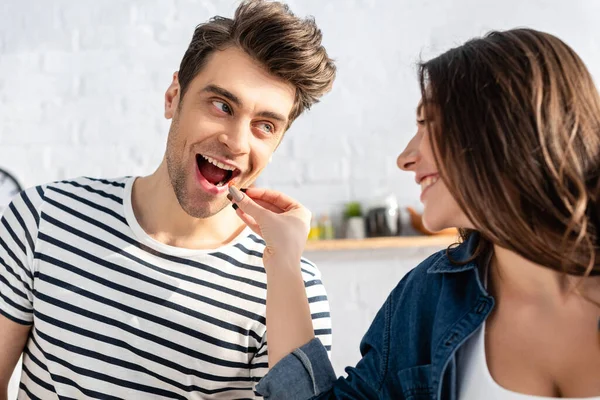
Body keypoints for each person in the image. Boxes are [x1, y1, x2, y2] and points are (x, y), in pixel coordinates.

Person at [228, 28, 600, 399]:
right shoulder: (429, 297)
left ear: (503, 128)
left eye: (427, 124)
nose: (405, 158)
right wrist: (284, 259)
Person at [0, 1, 336, 398]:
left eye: (265, 125)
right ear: (173, 96)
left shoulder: (291, 285)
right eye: (222, 105)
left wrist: (284, 266)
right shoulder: (43, 219)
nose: (237, 142)